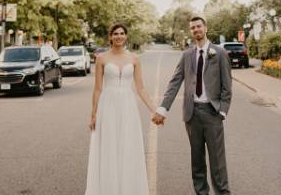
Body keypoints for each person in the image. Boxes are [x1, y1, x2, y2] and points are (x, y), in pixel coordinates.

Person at [153, 16, 232, 195]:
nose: (196, 30)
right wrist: (163, 108)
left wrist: (223, 112)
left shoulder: (219, 53)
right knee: (197, 160)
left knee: (217, 162)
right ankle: (201, 192)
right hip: (192, 114)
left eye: (198, 26)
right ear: (191, 31)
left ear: (206, 28)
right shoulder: (187, 55)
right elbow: (175, 82)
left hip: (212, 113)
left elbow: (227, 86)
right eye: (192, 28)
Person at [85, 24, 157, 195]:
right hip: (107, 106)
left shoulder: (134, 59)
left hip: (127, 106)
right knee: (109, 146)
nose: (118, 36)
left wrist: (154, 110)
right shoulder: (101, 58)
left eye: (122, 33)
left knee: (127, 146)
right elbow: (97, 89)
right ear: (110, 37)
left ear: (126, 36)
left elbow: (140, 88)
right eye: (115, 34)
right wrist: (93, 114)